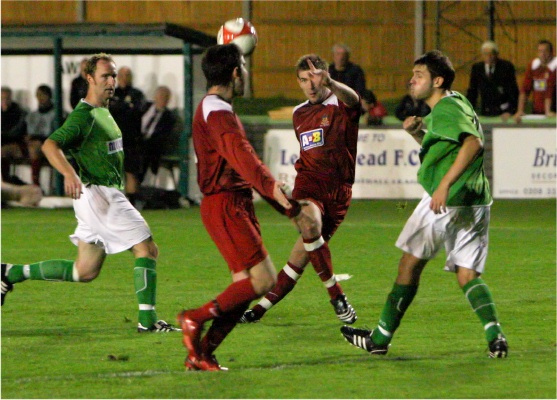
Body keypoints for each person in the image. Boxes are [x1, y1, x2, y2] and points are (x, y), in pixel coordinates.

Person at [341, 50, 508, 359]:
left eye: (419, 75)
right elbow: (448, 148)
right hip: (475, 200)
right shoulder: (455, 104)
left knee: (409, 264)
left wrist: (443, 185)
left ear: (438, 80)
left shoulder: (445, 107)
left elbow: (473, 143)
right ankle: (495, 336)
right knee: (467, 274)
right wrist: (419, 133)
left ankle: (379, 338)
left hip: (446, 201)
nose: (412, 80)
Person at [1, 53, 179, 334]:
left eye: (114, 75)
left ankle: (10, 272)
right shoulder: (83, 116)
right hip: (100, 195)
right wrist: (69, 174)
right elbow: (50, 145)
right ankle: (148, 321)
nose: (112, 81)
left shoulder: (104, 111)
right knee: (147, 248)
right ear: (89, 78)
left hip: (95, 198)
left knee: (84, 271)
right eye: (106, 76)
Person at [176, 44, 301, 372]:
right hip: (226, 205)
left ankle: (201, 353)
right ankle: (193, 318)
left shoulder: (213, 108)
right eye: (243, 67)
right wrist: (275, 190)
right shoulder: (216, 111)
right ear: (235, 73)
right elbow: (243, 156)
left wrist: (279, 203)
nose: (245, 73)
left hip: (232, 203)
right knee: (263, 281)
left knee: (244, 287)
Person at [240, 53, 360, 326]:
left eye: (315, 77)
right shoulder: (299, 113)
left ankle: (257, 311)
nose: (311, 85)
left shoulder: (341, 104)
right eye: (304, 80)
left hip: (340, 192)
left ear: (325, 76)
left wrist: (332, 82)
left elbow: (354, 100)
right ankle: (336, 294)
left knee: (299, 258)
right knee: (309, 225)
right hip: (309, 186)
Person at [109, 66, 145, 206]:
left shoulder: (136, 94)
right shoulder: (111, 93)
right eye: (122, 75)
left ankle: (131, 203)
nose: (125, 78)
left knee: (131, 171)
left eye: (128, 75)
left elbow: (136, 111)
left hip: (131, 138)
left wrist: (121, 107)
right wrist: (125, 107)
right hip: (112, 138)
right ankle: (112, 202)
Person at [466, 40, 519, 119]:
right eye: (486, 54)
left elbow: (513, 91)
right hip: (485, 111)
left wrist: (510, 111)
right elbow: (472, 92)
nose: (489, 57)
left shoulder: (506, 67)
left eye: (492, 54)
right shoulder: (477, 68)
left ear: (497, 54)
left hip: (503, 111)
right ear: (482, 55)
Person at [139, 85, 178, 180]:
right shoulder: (144, 107)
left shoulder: (169, 117)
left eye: (166, 97)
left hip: (150, 145)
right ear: (155, 97)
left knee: (141, 152)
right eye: (160, 96)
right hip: (135, 139)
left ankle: (136, 186)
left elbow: (162, 137)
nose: (163, 100)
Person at [25, 85, 60, 187]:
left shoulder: (56, 114)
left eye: (43, 95)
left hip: (48, 146)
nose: (40, 98)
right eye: (38, 95)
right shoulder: (31, 115)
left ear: (49, 96)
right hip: (30, 144)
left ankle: (35, 184)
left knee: (34, 148)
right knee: (4, 151)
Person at [514, 39, 557, 123]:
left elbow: (549, 90)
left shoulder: (554, 68)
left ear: (552, 52)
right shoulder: (533, 66)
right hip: (537, 111)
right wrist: (520, 110)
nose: (543, 54)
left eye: (545, 51)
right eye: (540, 51)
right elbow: (525, 90)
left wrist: (548, 111)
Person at [1, 86, 28, 182]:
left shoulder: (18, 112)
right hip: (4, 142)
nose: (4, 101)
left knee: (2, 152)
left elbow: (16, 132)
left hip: (15, 143)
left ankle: (5, 181)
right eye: (2, 98)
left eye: (6, 98)